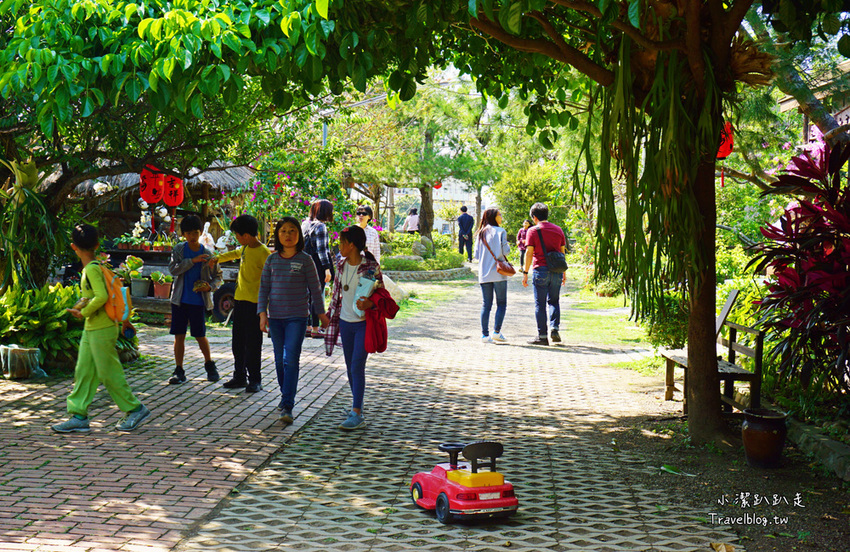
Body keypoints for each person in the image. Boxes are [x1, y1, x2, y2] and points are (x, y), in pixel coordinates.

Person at [52, 224, 151, 433]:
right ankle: (78, 415)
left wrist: (83, 312)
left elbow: (102, 297)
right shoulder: (95, 267)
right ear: (97, 245)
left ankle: (135, 408)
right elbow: (95, 295)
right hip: (94, 327)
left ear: (73, 247)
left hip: (101, 327)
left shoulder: (91, 269)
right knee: (84, 371)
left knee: (108, 372)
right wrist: (83, 309)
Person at [258, 217, 330, 425]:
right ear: (277, 235)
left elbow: (316, 290)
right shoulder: (271, 260)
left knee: (291, 359)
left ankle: (287, 404)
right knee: (280, 360)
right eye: (283, 231)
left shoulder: (305, 260)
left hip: (297, 318)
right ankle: (285, 394)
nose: (288, 235)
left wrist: (321, 314)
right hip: (275, 319)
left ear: (299, 234)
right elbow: (263, 289)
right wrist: (262, 314)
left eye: (292, 231)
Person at [323, 225, 384, 430]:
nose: (339, 245)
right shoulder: (340, 265)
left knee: (357, 365)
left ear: (351, 245)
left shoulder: (369, 267)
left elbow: (381, 295)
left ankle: (356, 412)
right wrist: (328, 316)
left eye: (342, 242)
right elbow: (337, 294)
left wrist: (370, 304)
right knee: (350, 366)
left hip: (364, 324)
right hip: (345, 323)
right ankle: (355, 406)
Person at [210, 215, 272, 393]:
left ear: (246, 235)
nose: (236, 238)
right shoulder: (244, 248)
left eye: (237, 234)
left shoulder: (264, 253)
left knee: (253, 344)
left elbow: (270, 279)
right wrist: (217, 258)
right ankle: (239, 376)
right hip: (240, 301)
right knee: (237, 342)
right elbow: (235, 253)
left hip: (256, 305)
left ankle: (255, 380)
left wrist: (265, 308)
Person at [167, 215, 223, 384]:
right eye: (189, 233)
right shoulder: (178, 250)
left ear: (200, 233)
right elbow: (173, 270)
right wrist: (191, 261)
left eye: (196, 232)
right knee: (179, 335)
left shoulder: (207, 253)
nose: (193, 236)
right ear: (184, 234)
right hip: (180, 300)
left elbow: (218, 277)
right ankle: (179, 369)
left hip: (198, 301)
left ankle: (209, 364)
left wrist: (210, 287)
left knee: (200, 335)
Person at [522, 203, 567, 346]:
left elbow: (529, 253)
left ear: (534, 217)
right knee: (554, 301)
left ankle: (542, 337)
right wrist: (564, 272)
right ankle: (554, 328)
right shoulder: (558, 230)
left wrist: (525, 272)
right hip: (556, 271)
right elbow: (562, 252)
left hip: (540, 270)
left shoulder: (532, 231)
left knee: (540, 304)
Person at [474, 208, 511, 343]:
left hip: (484, 273)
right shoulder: (501, 231)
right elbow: (505, 251)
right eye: (499, 215)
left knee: (486, 304)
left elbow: (476, 255)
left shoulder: (480, 233)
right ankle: (496, 332)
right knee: (501, 303)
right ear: (493, 217)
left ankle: (484, 335)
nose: (501, 217)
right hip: (499, 272)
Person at [302, 199, 334, 338]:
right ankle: (315, 328)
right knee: (317, 295)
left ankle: (308, 326)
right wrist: (327, 269)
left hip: (305, 263)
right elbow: (322, 250)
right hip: (317, 264)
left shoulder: (305, 224)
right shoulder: (321, 227)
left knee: (307, 295)